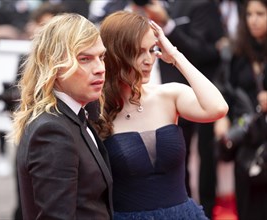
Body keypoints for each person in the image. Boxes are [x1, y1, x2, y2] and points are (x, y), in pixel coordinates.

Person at [94, 11, 228, 219]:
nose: (149, 60)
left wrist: (175, 56)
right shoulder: (97, 110)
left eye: (153, 50)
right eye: (139, 52)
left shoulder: (168, 94)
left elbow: (217, 108)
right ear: (116, 54)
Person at [9, 13, 113, 219]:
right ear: (53, 65)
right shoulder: (52, 131)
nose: (100, 69)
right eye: (85, 59)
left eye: (101, 57)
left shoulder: (75, 117)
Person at [142, 1, 226, 217]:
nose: (147, 57)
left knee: (205, 157)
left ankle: (204, 209)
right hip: (152, 93)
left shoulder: (199, 5)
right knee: (175, 160)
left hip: (193, 90)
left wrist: (168, 28)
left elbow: (206, 53)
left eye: (151, 50)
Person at [215, 0, 267, 219]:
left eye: (260, 14)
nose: (253, 20)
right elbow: (224, 87)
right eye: (249, 14)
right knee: (247, 205)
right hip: (246, 135)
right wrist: (222, 117)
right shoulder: (237, 52)